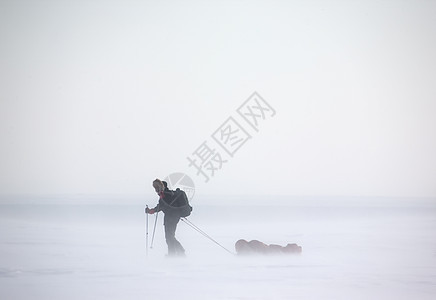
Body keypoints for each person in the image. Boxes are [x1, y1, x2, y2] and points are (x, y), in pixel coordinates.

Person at [146, 179, 186, 256]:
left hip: (171, 218)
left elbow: (160, 206)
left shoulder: (165, 195)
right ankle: (173, 253)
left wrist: (150, 211)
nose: (156, 190)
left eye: (157, 188)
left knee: (169, 237)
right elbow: (161, 206)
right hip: (172, 217)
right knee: (170, 237)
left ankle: (178, 252)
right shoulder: (169, 194)